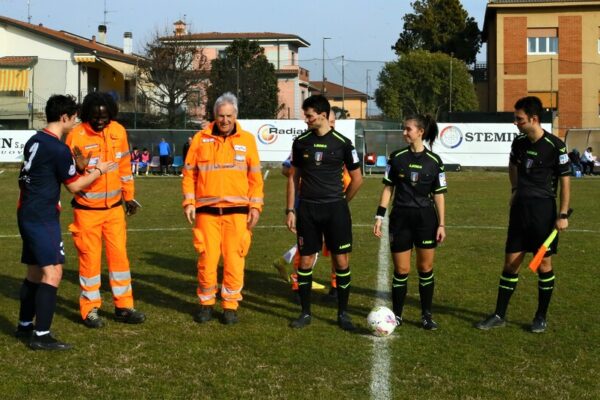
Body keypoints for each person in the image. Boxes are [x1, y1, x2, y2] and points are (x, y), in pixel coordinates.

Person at [16, 95, 116, 350]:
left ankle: (25, 326)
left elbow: (48, 172)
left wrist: (78, 166)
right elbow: (74, 187)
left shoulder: (36, 140)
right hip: (42, 217)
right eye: (74, 118)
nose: (76, 122)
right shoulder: (58, 148)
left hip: (27, 211)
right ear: (64, 118)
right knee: (53, 272)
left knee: (35, 271)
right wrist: (98, 170)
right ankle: (41, 336)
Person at [476, 96, 571, 333]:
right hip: (519, 211)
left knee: (543, 264)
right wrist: (515, 188)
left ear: (534, 119)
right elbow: (512, 166)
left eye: (519, 119)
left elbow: (566, 182)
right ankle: (499, 314)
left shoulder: (555, 146)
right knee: (510, 264)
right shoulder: (518, 143)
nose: (515, 123)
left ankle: (540, 316)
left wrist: (562, 214)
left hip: (543, 213)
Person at [65, 92, 146, 329]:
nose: (100, 121)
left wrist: (129, 197)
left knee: (119, 259)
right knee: (90, 262)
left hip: (114, 211)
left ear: (111, 114)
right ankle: (90, 309)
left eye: (105, 116)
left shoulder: (118, 131)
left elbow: (124, 167)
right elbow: (69, 177)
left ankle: (123, 307)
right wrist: (79, 170)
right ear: (86, 114)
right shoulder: (76, 136)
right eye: (95, 116)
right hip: (86, 211)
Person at [182, 92, 264, 325]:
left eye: (229, 115)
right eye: (221, 116)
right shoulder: (200, 139)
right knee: (207, 261)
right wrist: (189, 202)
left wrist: (256, 207)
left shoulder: (247, 140)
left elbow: (255, 179)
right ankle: (206, 303)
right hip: (207, 213)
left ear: (236, 115)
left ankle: (230, 306)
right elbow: (189, 174)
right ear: (214, 116)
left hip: (238, 214)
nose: (225, 120)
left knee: (234, 260)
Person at [286, 95, 363, 331]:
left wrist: (341, 202)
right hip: (307, 209)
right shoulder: (300, 142)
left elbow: (358, 179)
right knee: (306, 260)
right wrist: (290, 209)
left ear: (322, 114)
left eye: (309, 115)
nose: (306, 119)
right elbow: (293, 177)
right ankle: (305, 313)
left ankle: (343, 314)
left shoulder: (343, 143)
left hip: (335, 210)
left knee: (341, 261)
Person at [373, 114, 447, 331]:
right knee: (401, 269)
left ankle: (426, 315)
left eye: (408, 129)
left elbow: (439, 194)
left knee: (425, 268)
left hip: (426, 219)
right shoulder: (396, 158)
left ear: (420, 132)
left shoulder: (435, 161)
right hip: (400, 219)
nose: (404, 133)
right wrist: (379, 216)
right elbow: (388, 189)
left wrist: (441, 224)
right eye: (404, 129)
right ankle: (397, 315)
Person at [273, 111, 347, 297]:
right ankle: (300, 281)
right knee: (311, 244)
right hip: (307, 203)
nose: (331, 126)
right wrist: (304, 180)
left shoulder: (338, 143)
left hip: (333, 202)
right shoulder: (303, 144)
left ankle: (334, 285)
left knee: (332, 245)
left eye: (333, 122)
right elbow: (286, 169)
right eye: (329, 122)